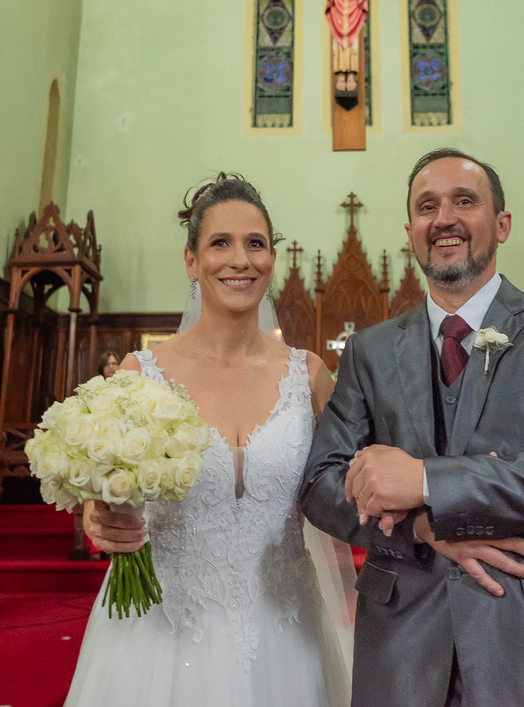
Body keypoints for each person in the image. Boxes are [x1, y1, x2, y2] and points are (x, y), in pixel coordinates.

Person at [299, 149, 524, 707]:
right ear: (411, 232)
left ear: (501, 223)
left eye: (464, 201)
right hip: (405, 640)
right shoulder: (369, 352)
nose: (445, 219)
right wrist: (421, 529)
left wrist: (428, 483)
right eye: (427, 206)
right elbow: (320, 483)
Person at [65, 174, 350, 707]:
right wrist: (96, 509)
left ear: (272, 257)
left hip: (287, 627)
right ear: (192, 262)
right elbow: (106, 479)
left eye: (255, 243)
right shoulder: (140, 373)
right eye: (220, 243)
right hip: (164, 628)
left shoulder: (308, 376)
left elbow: (348, 483)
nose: (239, 259)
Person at [275, 0, 416, 103]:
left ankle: (351, 77)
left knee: (353, 44)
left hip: (354, 13)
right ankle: (340, 76)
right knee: (339, 44)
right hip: (338, 13)